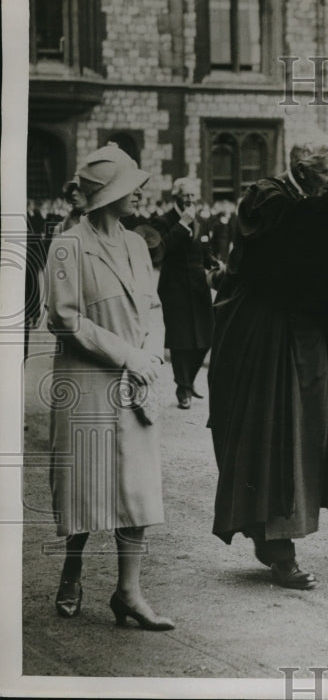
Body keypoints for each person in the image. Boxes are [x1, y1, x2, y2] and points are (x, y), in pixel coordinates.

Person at [208, 141, 328, 589]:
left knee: (307, 432)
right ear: (301, 169)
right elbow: (298, 233)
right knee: (279, 436)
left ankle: (269, 534)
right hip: (267, 337)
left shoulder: (310, 201)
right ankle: (279, 548)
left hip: (307, 333)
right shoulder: (267, 198)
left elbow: (326, 244)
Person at [45, 143, 174, 630]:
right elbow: (63, 318)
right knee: (87, 483)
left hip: (136, 383)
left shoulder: (139, 244)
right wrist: (129, 355)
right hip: (89, 381)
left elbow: (154, 309)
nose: (140, 193)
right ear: (106, 194)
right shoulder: (67, 245)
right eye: (131, 186)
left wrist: (152, 355)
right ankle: (72, 567)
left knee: (137, 488)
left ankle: (128, 591)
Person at [153, 177, 217, 409]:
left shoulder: (201, 219)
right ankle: (183, 388)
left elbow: (205, 247)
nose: (190, 200)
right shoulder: (162, 221)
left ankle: (188, 380)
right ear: (176, 196)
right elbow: (161, 250)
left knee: (206, 336)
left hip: (198, 286)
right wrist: (182, 225)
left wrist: (212, 262)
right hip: (175, 287)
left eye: (193, 196)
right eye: (185, 196)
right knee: (180, 338)